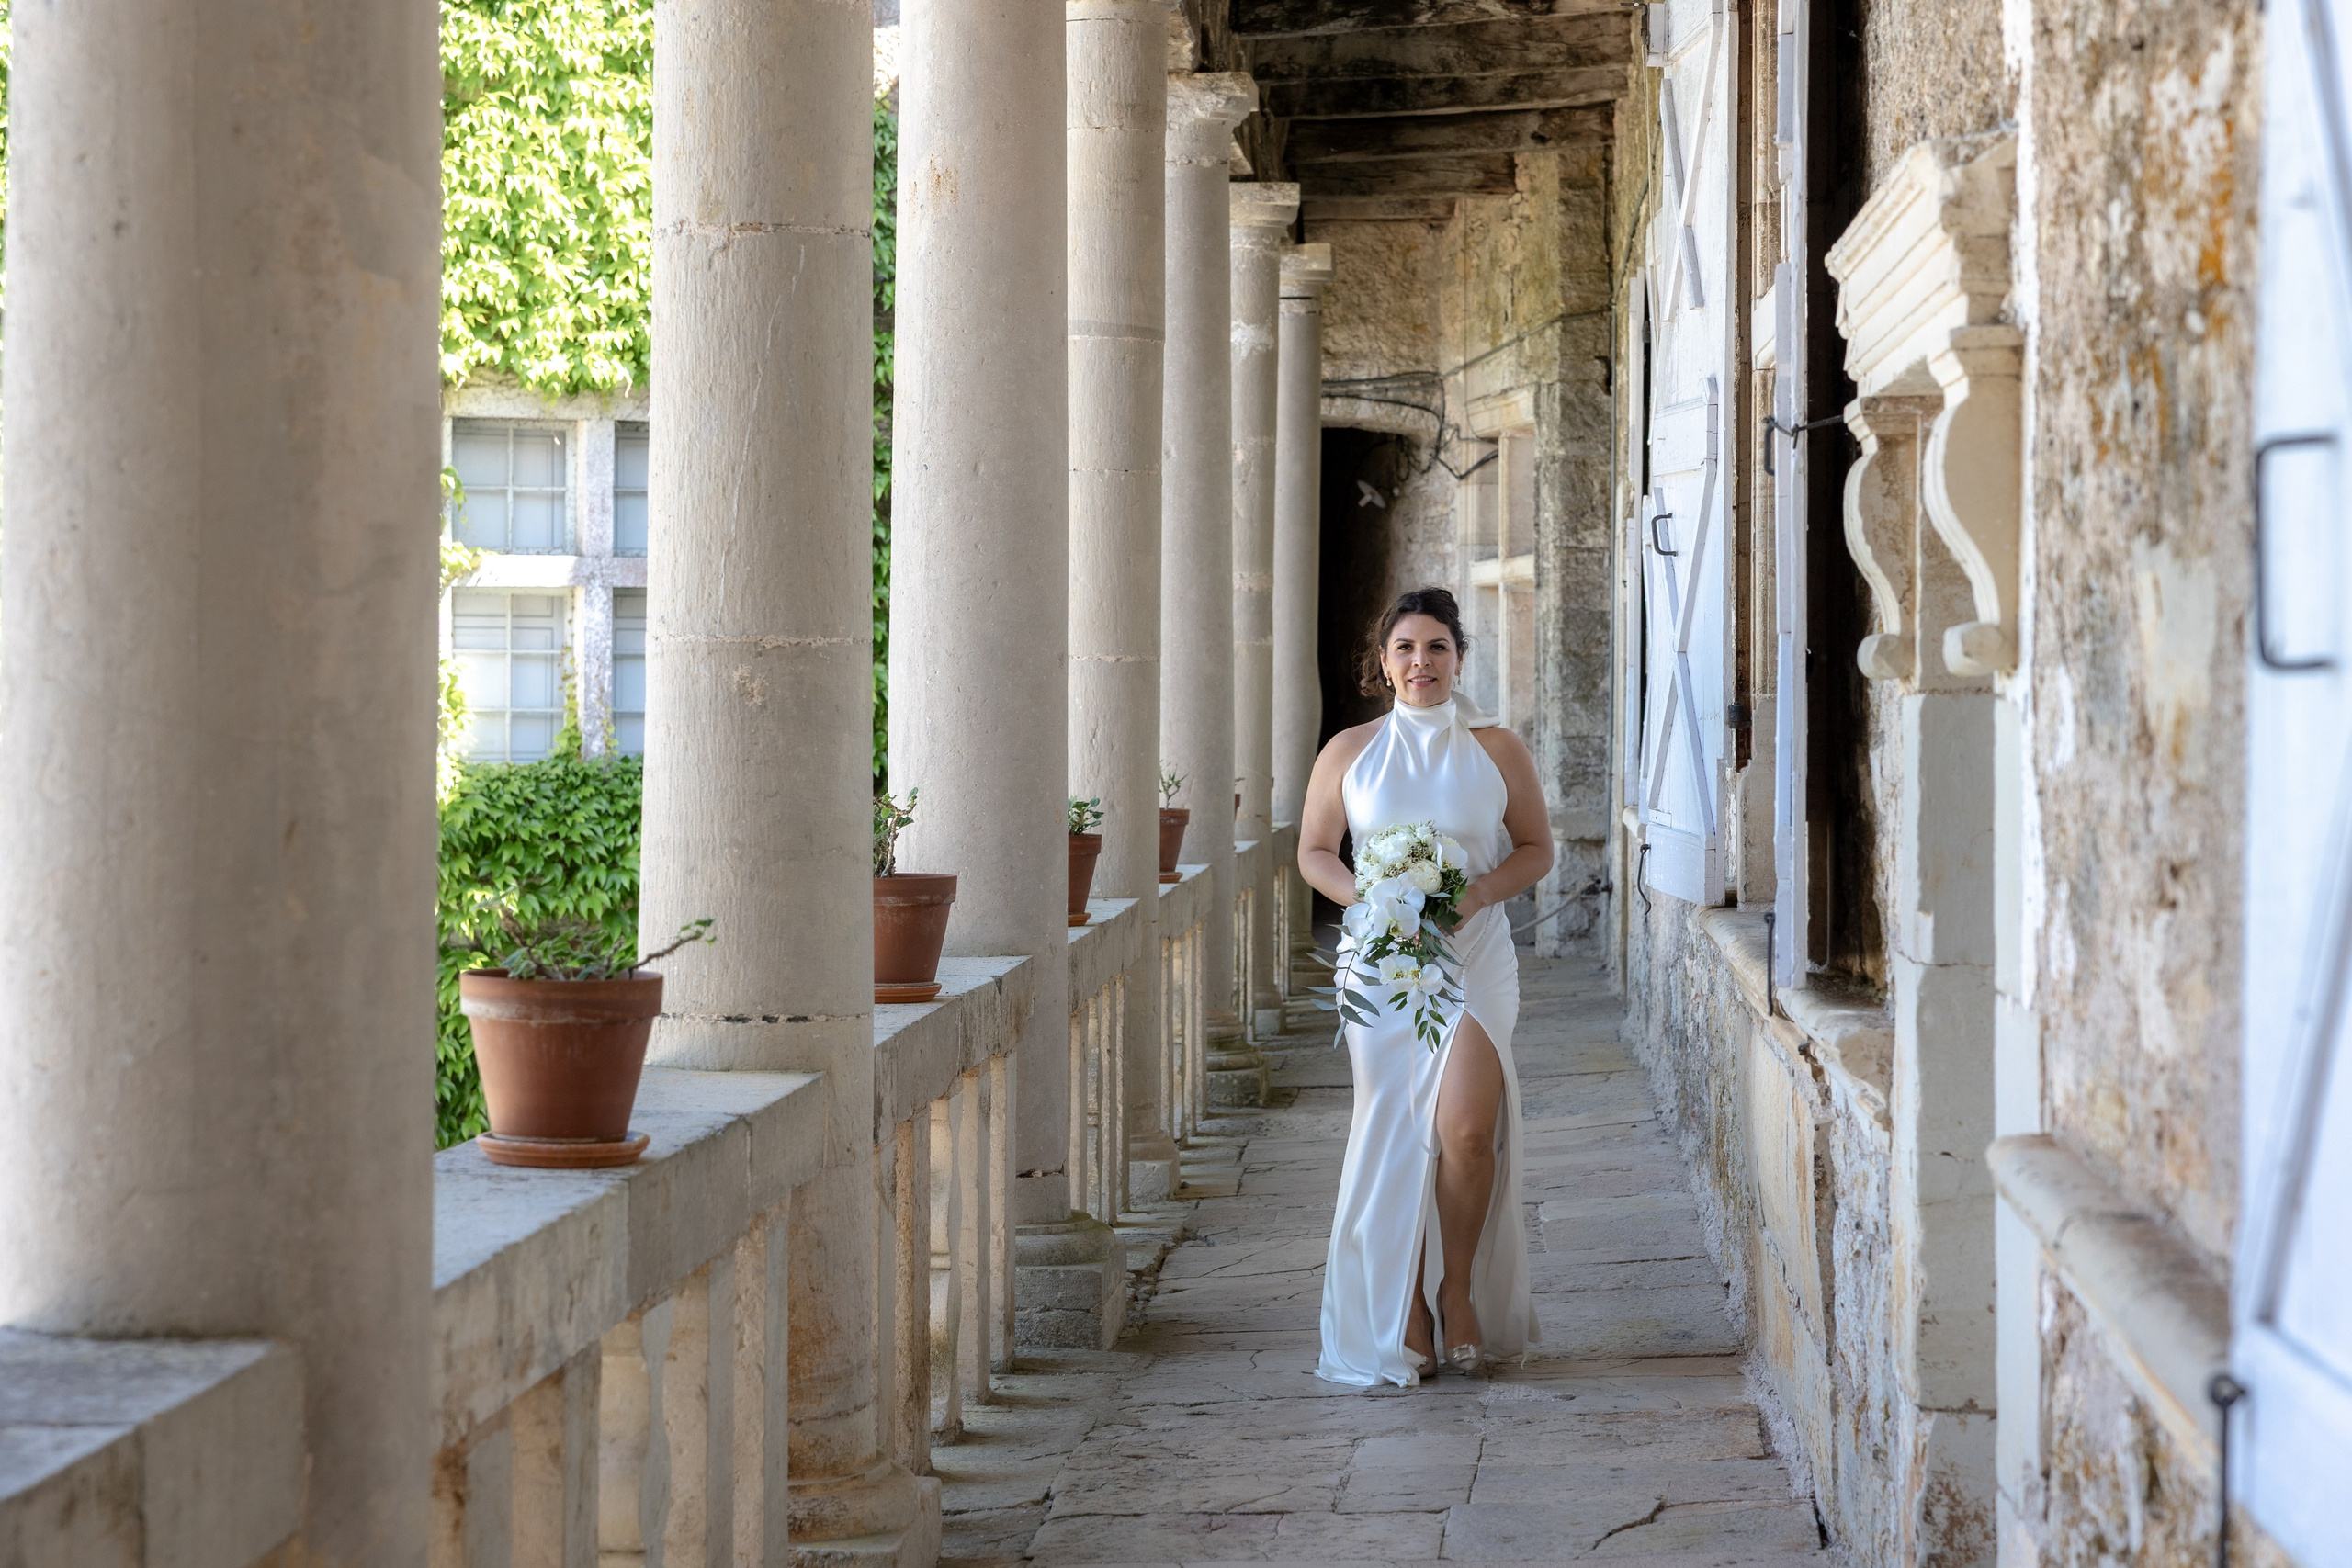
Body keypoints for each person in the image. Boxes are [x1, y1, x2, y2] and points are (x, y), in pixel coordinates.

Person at [1297, 587, 1554, 1385]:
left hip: (1473, 952)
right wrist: (1366, 898)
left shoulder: (1498, 747)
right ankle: (1399, 1297)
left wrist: (1475, 894)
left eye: (1437, 647)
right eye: (1405, 648)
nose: (1421, 662)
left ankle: (1457, 1286)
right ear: (1383, 663)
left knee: (1470, 1129)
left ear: (1459, 658)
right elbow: (1315, 850)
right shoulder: (1348, 751)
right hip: (1382, 966)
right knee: (1394, 1131)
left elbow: (1537, 847)